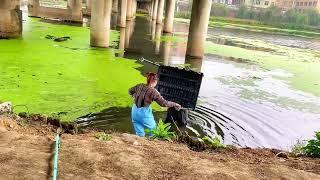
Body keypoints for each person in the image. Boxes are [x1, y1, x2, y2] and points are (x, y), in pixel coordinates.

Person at [129, 72, 181, 137]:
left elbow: (130, 91)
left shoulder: (140, 85)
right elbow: (164, 103)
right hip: (144, 114)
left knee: (139, 133)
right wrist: (175, 104)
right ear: (155, 81)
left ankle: (139, 143)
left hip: (134, 111)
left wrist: (135, 95)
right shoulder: (154, 92)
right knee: (154, 132)